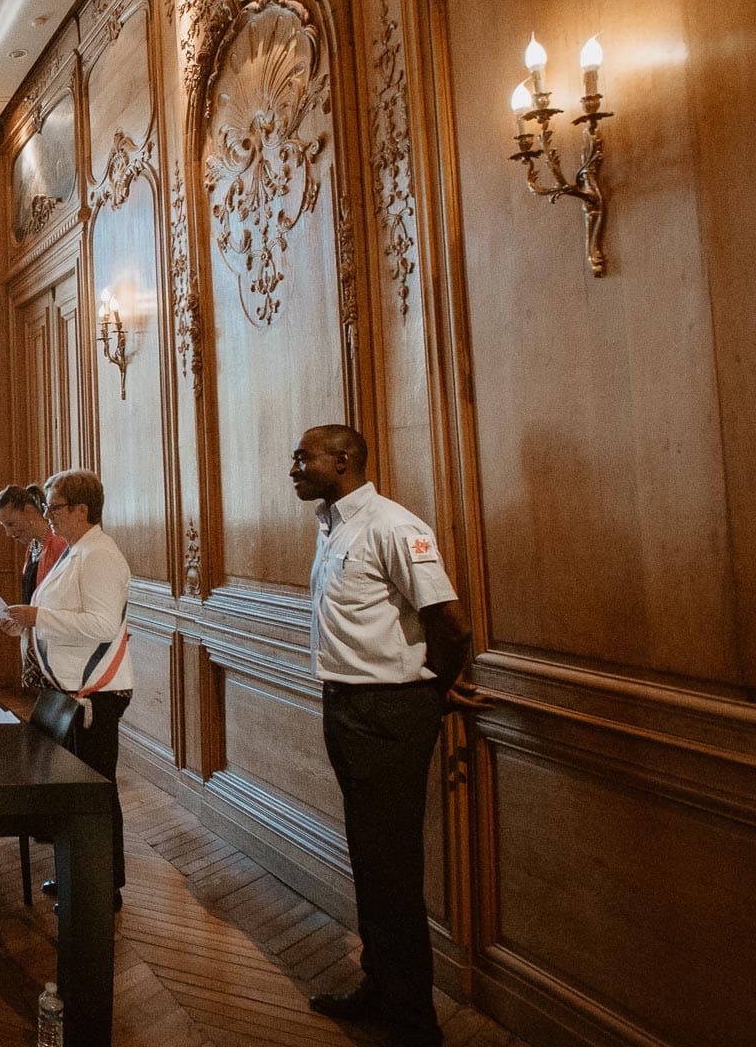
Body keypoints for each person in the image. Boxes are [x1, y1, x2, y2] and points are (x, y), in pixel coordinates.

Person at [290, 425, 480, 1047]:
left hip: (389, 712)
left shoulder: (395, 527)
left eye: (304, 456)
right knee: (370, 860)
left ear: (342, 461)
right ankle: (381, 987)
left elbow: (451, 625)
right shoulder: (332, 524)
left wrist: (429, 689)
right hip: (344, 706)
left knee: (393, 868)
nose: (294, 466)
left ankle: (414, 1024)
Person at [0, 467, 133, 909]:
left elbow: (101, 625)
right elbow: (52, 610)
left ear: (81, 509)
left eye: (54, 508)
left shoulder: (100, 555)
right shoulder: (76, 552)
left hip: (96, 693)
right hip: (69, 689)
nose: (48, 515)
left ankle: (101, 888)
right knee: (75, 789)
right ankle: (81, 875)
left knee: (94, 791)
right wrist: (25, 620)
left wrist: (37, 619)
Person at [0, 483, 67, 689]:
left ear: (29, 512)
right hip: (35, 646)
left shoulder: (59, 545)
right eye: (4, 526)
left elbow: (63, 604)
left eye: (11, 524)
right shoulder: (32, 548)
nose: (8, 533)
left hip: (56, 652)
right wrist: (16, 623)